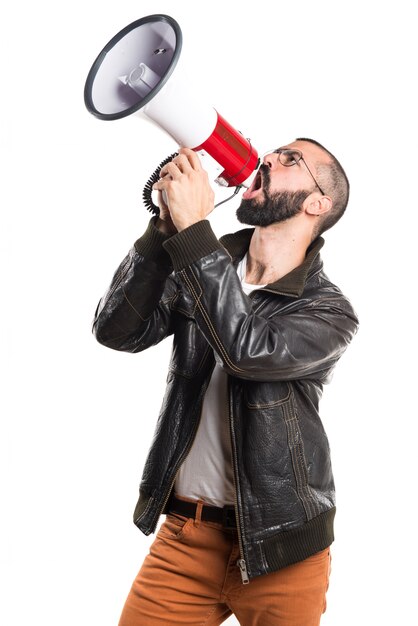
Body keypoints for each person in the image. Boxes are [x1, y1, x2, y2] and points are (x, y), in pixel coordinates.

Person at [92, 138, 359, 626]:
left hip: (283, 551)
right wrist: (162, 233)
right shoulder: (199, 269)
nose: (269, 159)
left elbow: (248, 352)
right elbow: (116, 330)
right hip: (185, 538)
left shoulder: (329, 311)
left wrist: (194, 234)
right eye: (274, 151)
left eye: (291, 159)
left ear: (317, 204)